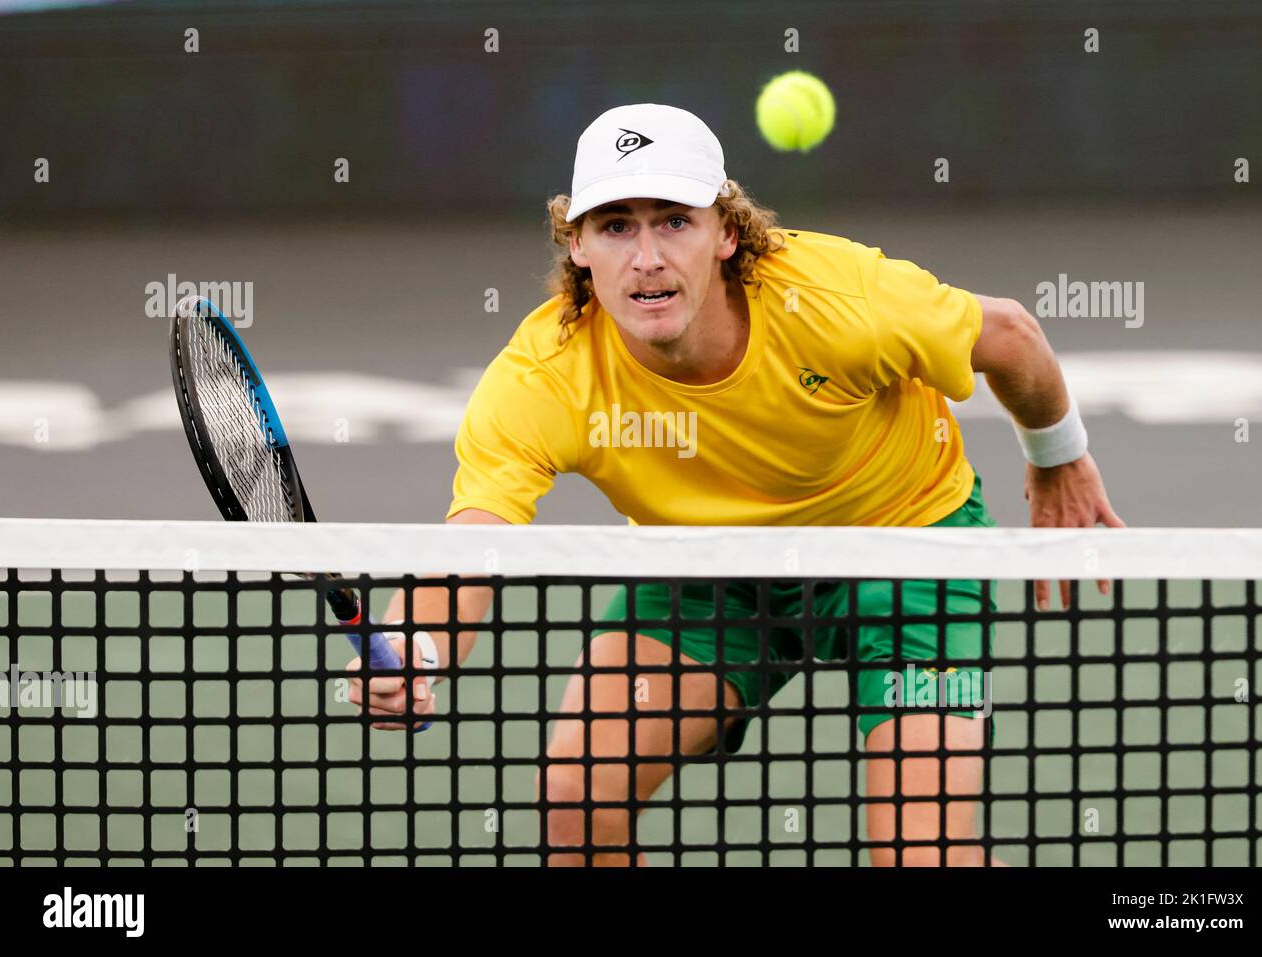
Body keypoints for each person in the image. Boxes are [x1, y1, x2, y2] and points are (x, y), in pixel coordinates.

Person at [347, 103, 1124, 866]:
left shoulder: (836, 298)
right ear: (578, 243)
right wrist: (418, 643)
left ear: (726, 231)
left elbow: (1011, 335)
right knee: (577, 804)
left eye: (673, 221)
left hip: (907, 548)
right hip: (709, 571)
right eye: (616, 225)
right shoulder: (547, 372)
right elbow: (477, 536)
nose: (646, 256)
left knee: (925, 850)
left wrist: (1057, 455)